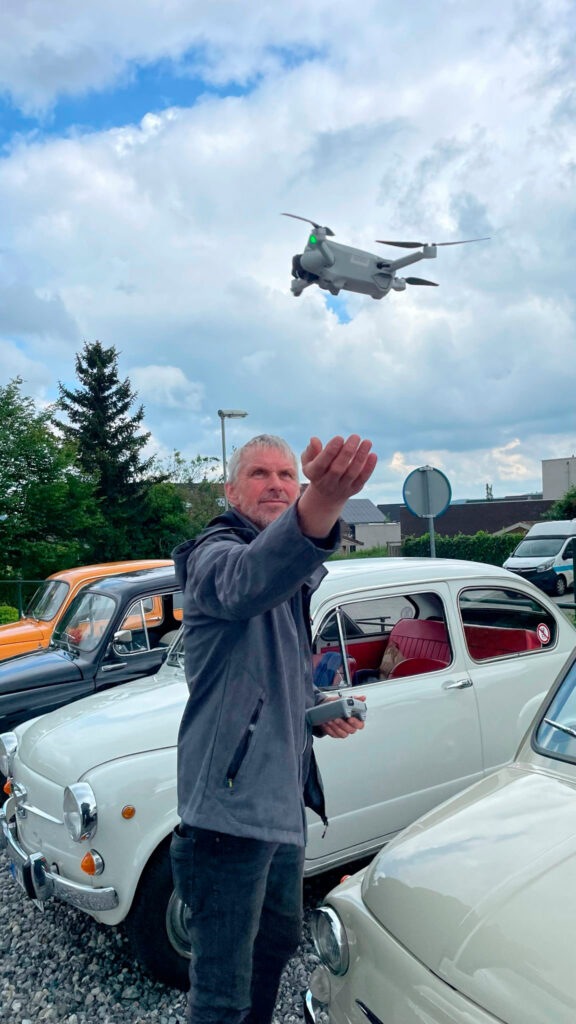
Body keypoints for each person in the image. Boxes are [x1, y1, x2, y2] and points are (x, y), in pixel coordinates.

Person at [171, 431, 377, 1024]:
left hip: (281, 807)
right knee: (221, 994)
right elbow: (247, 581)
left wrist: (318, 708)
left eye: (288, 476)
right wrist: (325, 503)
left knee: (276, 945)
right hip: (227, 820)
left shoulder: (290, 583)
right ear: (231, 490)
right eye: (260, 474)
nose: (277, 485)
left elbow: (271, 681)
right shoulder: (213, 558)